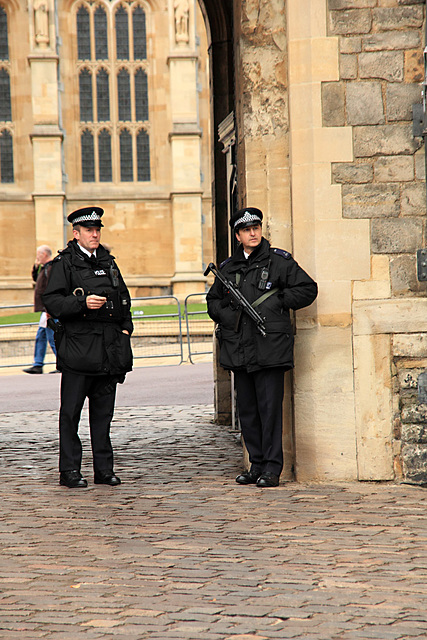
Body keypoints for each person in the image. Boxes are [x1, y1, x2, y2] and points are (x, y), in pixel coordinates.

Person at [206, 207, 318, 488]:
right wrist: (233, 314)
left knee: (270, 412)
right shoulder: (228, 268)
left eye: (256, 227)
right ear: (238, 235)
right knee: (248, 411)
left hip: (270, 347)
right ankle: (255, 465)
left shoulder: (279, 262)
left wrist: (278, 300)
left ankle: (272, 468)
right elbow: (213, 303)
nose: (253, 233)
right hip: (240, 349)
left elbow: (307, 289)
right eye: (246, 230)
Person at [43, 207, 133, 489]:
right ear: (76, 233)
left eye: (98, 230)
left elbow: (124, 298)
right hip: (78, 351)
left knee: (103, 415)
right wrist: (82, 304)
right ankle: (69, 470)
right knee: (71, 414)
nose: (95, 234)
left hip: (108, 350)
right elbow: (52, 302)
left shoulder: (109, 262)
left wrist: (126, 328)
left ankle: (104, 470)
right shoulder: (65, 264)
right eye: (89, 230)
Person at [23, 245, 57, 374]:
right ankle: (38, 364)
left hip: (48, 309)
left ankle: (61, 364)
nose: (37, 257)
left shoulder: (51, 268)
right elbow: (36, 280)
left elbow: (50, 289)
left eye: (38, 254)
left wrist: (49, 308)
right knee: (42, 335)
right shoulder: (45, 268)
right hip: (45, 309)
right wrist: (36, 267)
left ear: (44, 254)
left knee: (52, 337)